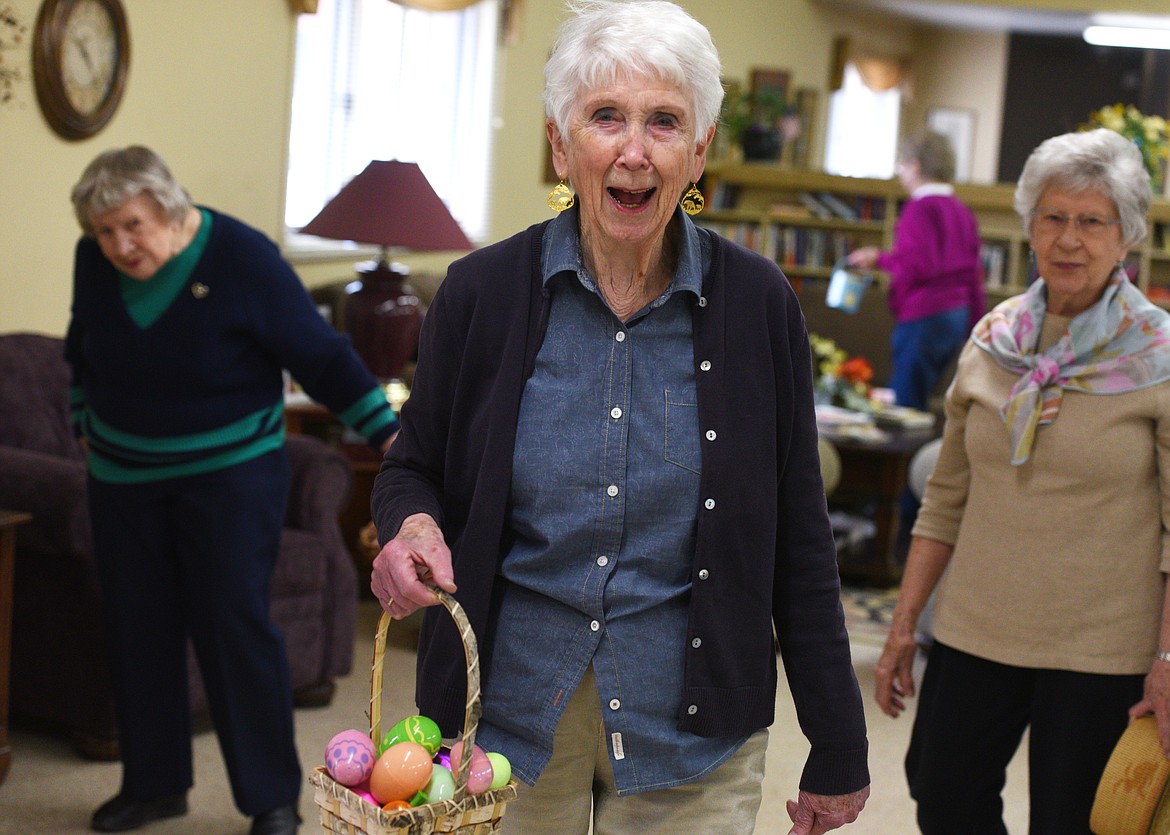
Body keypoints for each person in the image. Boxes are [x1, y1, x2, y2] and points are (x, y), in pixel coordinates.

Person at [368, 2, 869, 833]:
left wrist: (840, 741)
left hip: (694, 727)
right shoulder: (481, 294)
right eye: (607, 117)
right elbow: (409, 464)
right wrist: (414, 526)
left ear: (700, 148)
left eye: (665, 122)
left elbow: (798, 533)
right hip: (505, 721)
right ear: (562, 144)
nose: (634, 151)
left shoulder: (759, 306)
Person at [66, 145, 399, 835]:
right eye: (104, 231)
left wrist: (389, 435)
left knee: (235, 627)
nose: (119, 244)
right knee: (138, 630)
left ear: (166, 206)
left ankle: (271, 798)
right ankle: (154, 785)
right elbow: (83, 342)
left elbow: (321, 353)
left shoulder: (242, 258)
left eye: (131, 225)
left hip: (228, 476)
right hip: (123, 480)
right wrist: (79, 420)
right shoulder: (93, 260)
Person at [874, 127, 1170, 833]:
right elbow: (944, 498)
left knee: (1074, 822)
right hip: (977, 628)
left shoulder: (1160, 356)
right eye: (1054, 217)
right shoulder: (992, 338)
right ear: (1030, 226)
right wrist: (904, 624)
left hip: (1101, 646)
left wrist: (1167, 657)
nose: (1070, 238)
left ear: (1125, 235)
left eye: (1092, 221)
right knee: (942, 795)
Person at [847, 131, 985, 412]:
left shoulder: (919, 209)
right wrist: (976, 324)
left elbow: (917, 266)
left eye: (901, 164)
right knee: (926, 403)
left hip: (924, 316)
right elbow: (974, 272)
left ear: (915, 166)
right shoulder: (961, 211)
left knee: (905, 406)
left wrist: (879, 259)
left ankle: (900, 458)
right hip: (956, 317)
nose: (899, 172)